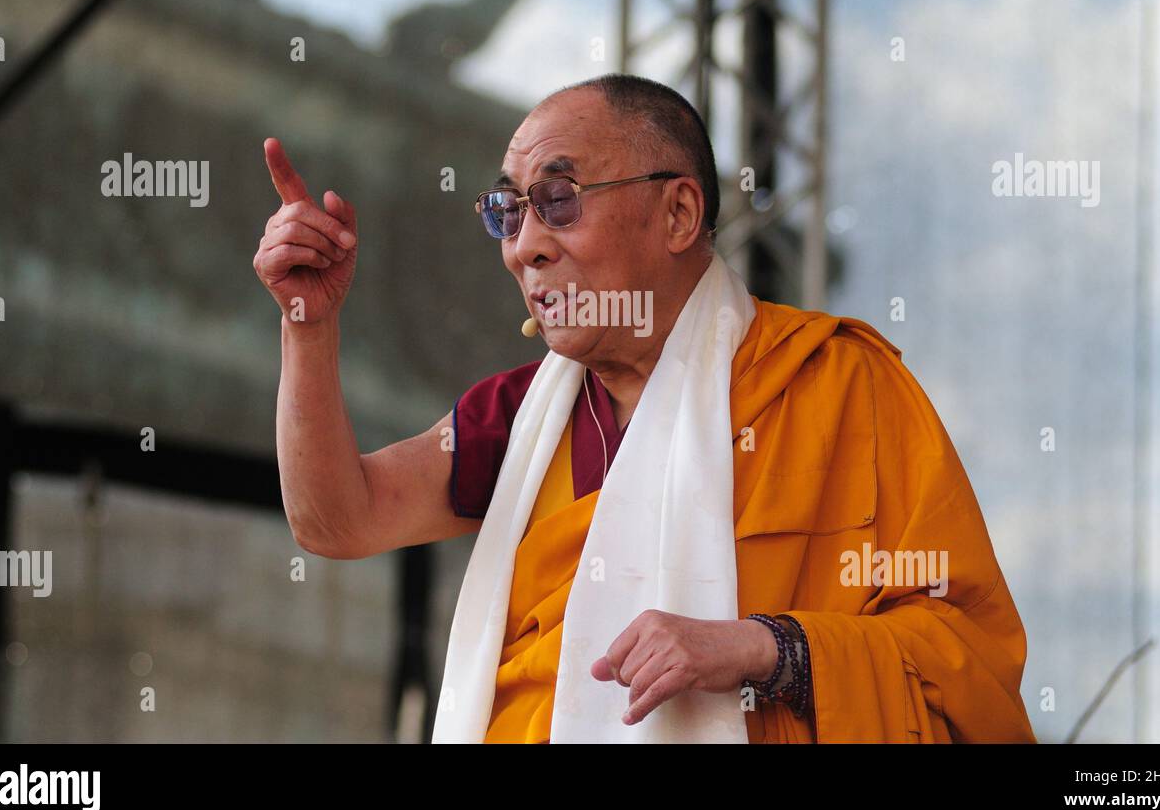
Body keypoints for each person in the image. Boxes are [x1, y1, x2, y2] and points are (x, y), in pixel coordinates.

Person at [253, 73, 1037, 744]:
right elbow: (337, 520)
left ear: (678, 215)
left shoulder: (831, 384)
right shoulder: (523, 418)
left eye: (558, 200)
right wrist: (308, 326)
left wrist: (769, 650)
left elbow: (965, 664)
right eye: (507, 210)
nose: (524, 244)